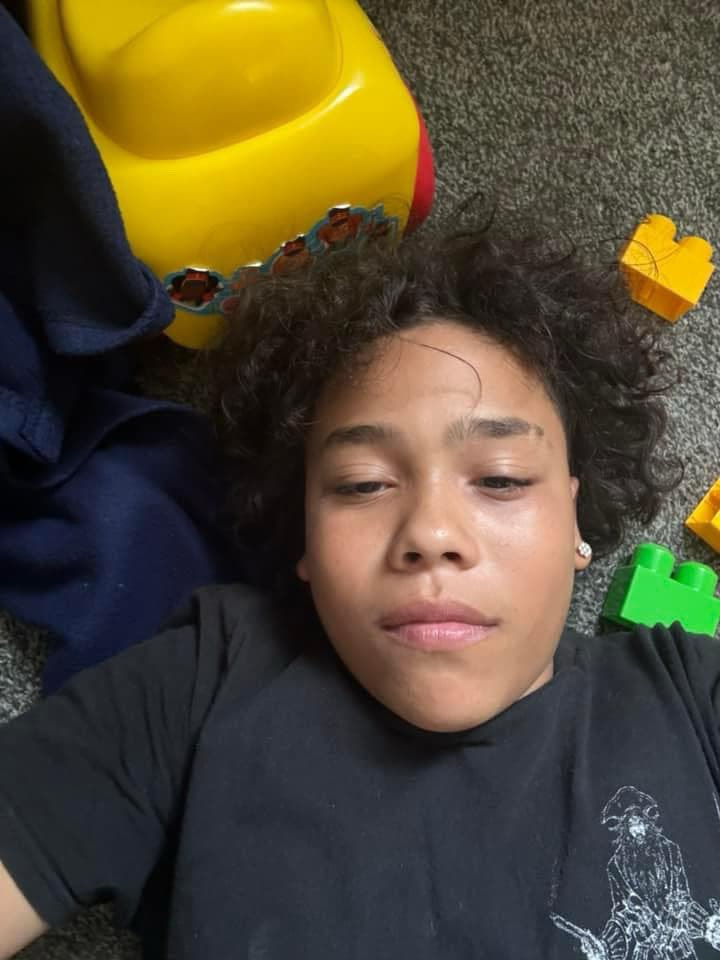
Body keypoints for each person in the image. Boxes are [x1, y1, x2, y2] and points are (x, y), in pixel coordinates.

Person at [1, 220, 719, 960]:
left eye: (501, 478)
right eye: (362, 484)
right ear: (305, 538)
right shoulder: (198, 687)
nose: (430, 532)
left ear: (575, 517)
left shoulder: (695, 698)